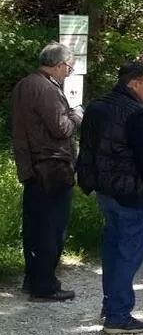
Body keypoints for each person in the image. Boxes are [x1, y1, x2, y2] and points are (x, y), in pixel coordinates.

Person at [75, 63, 143, 334]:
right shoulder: (137, 114)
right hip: (132, 192)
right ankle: (118, 315)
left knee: (113, 251)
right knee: (127, 255)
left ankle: (110, 304)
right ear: (133, 83)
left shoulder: (97, 107)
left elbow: (87, 149)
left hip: (105, 189)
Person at [11, 42, 82, 302]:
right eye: (69, 67)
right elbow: (61, 128)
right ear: (60, 64)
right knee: (52, 229)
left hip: (32, 167)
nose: (69, 72)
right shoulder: (46, 88)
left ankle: (33, 279)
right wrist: (77, 115)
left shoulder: (24, 84)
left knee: (34, 228)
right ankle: (45, 285)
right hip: (52, 167)